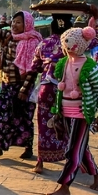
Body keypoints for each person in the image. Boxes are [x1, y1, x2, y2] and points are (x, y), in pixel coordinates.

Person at [47, 27, 98, 195]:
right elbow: (61, 88)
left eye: (70, 42)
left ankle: (64, 186)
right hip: (65, 112)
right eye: (65, 41)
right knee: (81, 148)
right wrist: (57, 111)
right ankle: (96, 174)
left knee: (73, 151)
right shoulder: (63, 63)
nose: (67, 45)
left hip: (82, 114)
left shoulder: (90, 66)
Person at [20, 14, 73, 174]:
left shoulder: (43, 43)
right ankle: (71, 158)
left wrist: (24, 88)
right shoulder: (73, 44)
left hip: (46, 89)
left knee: (44, 125)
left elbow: (34, 68)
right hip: (68, 91)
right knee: (68, 124)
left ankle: (40, 162)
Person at [0, 11, 41, 159]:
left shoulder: (33, 42)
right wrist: (4, 22)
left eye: (18, 22)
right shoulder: (8, 36)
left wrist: (24, 89)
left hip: (23, 87)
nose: (15, 25)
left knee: (23, 117)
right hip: (6, 84)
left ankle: (28, 148)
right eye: (13, 22)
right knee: (1, 116)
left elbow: (33, 69)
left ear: (27, 24)